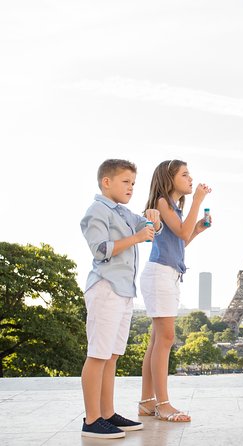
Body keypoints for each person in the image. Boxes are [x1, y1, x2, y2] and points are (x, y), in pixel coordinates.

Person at [80, 159, 161, 439]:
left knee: (111, 356)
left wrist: (154, 218)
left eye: (133, 183)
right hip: (106, 287)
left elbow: (151, 227)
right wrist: (139, 236)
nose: (131, 188)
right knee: (98, 354)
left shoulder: (124, 212)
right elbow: (100, 249)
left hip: (124, 290)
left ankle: (107, 413)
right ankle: (92, 420)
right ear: (107, 182)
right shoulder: (97, 211)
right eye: (126, 182)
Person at [137, 159, 211, 423]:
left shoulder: (172, 208)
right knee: (166, 340)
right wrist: (197, 202)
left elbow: (181, 241)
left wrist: (198, 228)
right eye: (185, 174)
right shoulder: (161, 203)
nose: (191, 179)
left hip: (167, 273)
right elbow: (180, 232)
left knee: (157, 342)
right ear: (169, 179)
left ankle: (148, 402)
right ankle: (163, 404)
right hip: (160, 275)